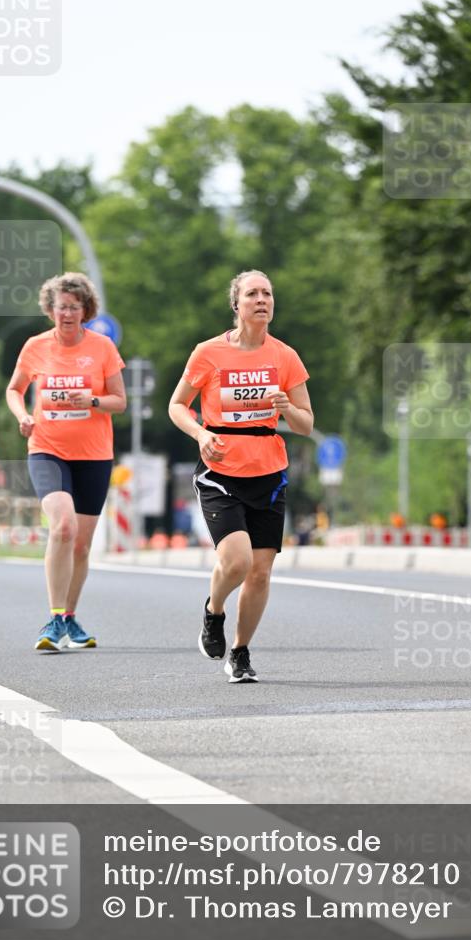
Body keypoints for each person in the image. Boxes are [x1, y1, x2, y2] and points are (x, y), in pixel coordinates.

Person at [168, 269, 313, 683]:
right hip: (221, 470)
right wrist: (200, 433)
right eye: (253, 293)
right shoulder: (209, 352)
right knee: (236, 561)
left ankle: (241, 651)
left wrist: (286, 406)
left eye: (267, 293)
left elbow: (305, 424)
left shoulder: (285, 356)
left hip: (268, 472)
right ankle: (213, 613)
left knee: (261, 572)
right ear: (237, 305)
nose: (262, 299)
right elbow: (177, 405)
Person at [6, 272, 126, 651]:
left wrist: (91, 401)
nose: (68, 313)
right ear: (50, 310)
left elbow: (119, 401)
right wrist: (23, 416)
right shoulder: (35, 347)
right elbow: (14, 389)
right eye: (61, 307)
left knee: (82, 546)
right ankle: (55, 617)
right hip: (47, 449)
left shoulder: (102, 347)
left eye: (75, 307)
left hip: (94, 454)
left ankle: (70, 618)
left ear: (85, 311)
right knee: (62, 526)